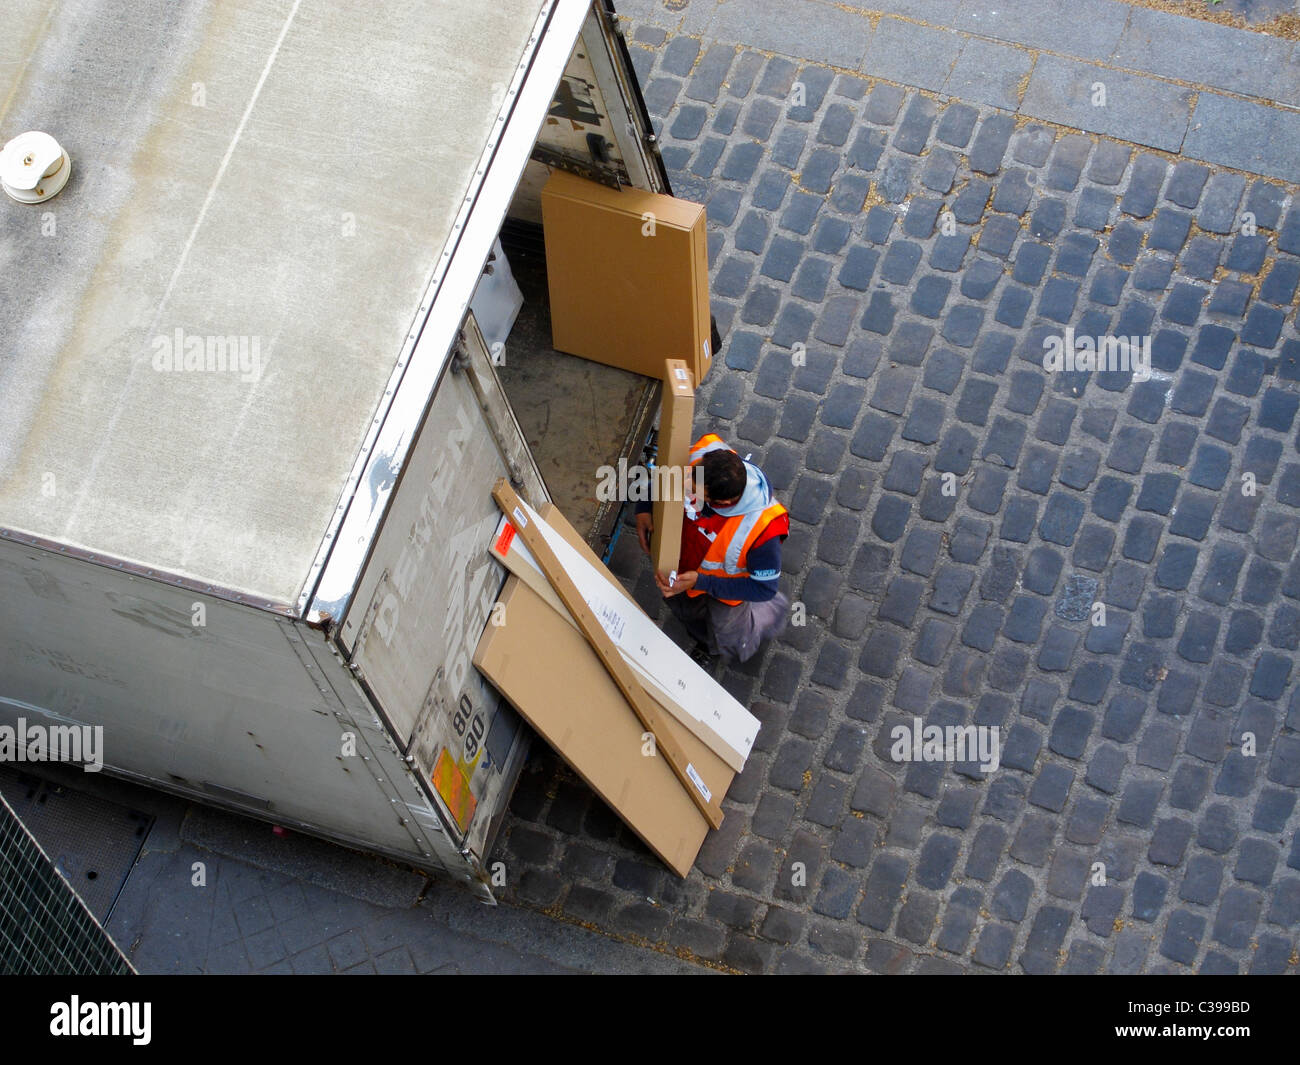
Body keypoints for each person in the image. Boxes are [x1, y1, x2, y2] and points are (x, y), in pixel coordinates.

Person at [635, 433, 790, 665]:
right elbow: (665, 475)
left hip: (723, 593)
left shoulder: (764, 530)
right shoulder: (702, 455)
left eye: (695, 491)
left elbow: (763, 588)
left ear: (723, 503)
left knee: (729, 637)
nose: (686, 485)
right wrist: (645, 506)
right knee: (686, 613)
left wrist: (701, 583)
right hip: (684, 574)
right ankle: (704, 641)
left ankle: (767, 616)